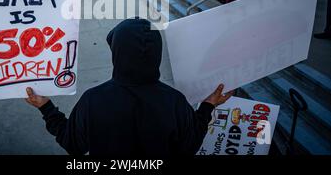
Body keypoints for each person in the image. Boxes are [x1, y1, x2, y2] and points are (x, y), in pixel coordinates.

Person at [25, 18, 234, 156]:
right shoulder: (174, 101)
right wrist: (207, 107)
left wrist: (46, 108)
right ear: (157, 54)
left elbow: (72, 143)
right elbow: (189, 146)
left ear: (117, 53)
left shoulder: (93, 101)